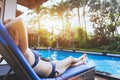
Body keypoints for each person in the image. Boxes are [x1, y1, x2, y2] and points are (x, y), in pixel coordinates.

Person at [4, 18, 87, 78]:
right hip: (54, 70)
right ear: (16, 34)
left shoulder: (15, 50)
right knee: (71, 58)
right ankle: (80, 59)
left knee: (69, 65)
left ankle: (81, 62)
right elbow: (20, 21)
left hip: (52, 65)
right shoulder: (23, 52)